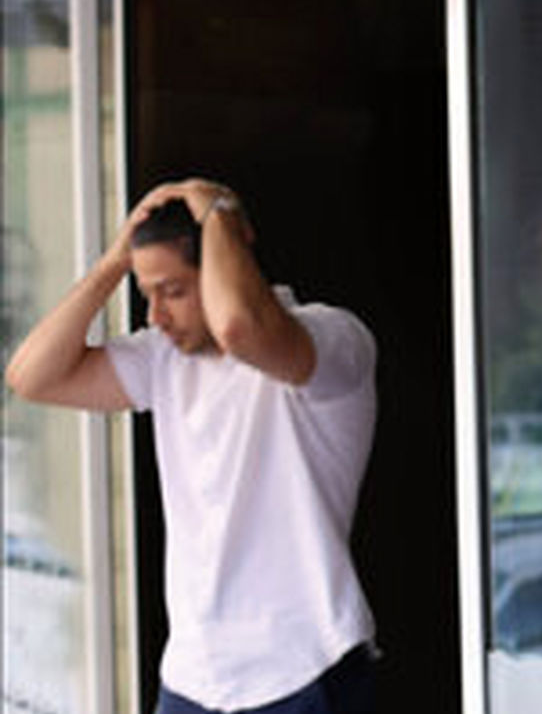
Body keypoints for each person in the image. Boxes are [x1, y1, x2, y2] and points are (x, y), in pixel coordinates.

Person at [5, 178, 379, 714]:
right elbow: (30, 376)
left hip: (302, 670)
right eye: (147, 293)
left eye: (174, 291)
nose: (155, 316)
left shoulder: (331, 338)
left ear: (231, 256)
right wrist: (115, 261)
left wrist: (220, 213)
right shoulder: (163, 359)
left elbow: (238, 327)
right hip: (192, 680)